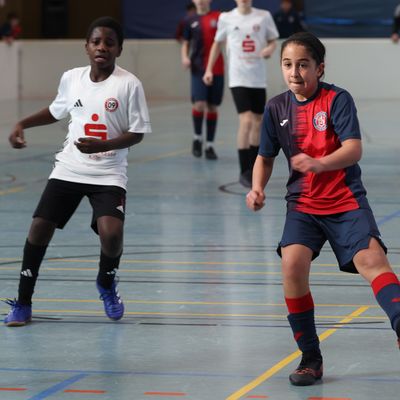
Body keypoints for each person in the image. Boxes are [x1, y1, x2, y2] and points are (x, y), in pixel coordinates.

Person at [246, 32, 400, 386]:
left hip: (345, 200)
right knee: (292, 265)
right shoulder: (276, 108)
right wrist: (257, 188)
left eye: (303, 64)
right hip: (303, 205)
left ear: (319, 68)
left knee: (372, 261)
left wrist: (320, 163)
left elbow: (353, 149)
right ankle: (310, 358)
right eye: (287, 64)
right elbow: (264, 157)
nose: (294, 72)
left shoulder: (337, 99)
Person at [4, 16, 151, 326]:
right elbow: (56, 110)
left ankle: (106, 282)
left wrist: (103, 145)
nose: (102, 47)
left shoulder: (129, 84)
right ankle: (23, 303)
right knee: (39, 228)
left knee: (112, 235)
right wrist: (22, 123)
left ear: (119, 49)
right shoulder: (72, 78)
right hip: (69, 169)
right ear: (86, 47)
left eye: (109, 43)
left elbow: (137, 133)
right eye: (96, 42)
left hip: (109, 173)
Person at [203, 0, 279, 187]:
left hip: (257, 78)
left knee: (258, 121)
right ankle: (244, 170)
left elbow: (273, 40)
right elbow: (217, 44)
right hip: (238, 78)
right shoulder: (226, 18)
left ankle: (254, 167)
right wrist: (209, 69)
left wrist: (269, 49)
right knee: (246, 120)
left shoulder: (263, 16)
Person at [181, 0, 224, 160]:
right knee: (199, 104)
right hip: (198, 68)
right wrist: (185, 57)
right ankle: (197, 138)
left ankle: (210, 145)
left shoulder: (219, 17)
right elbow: (185, 43)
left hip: (217, 68)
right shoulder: (189, 20)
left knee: (212, 107)